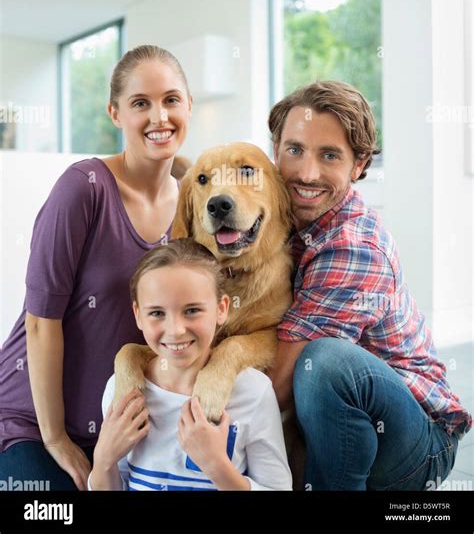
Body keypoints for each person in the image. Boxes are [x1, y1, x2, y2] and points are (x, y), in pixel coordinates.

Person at [0, 45, 192, 491]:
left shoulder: (190, 202)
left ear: (188, 105)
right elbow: (39, 323)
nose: (159, 117)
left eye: (170, 100)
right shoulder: (84, 188)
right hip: (31, 422)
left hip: (117, 429)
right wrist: (55, 438)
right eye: (140, 104)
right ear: (115, 113)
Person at [267, 80, 472, 490]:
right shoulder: (281, 217)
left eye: (329, 155)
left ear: (358, 165)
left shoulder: (353, 247)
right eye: (295, 150)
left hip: (417, 440)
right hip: (338, 420)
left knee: (322, 363)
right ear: (276, 151)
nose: (307, 173)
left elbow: (281, 385)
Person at [88, 238, 292, 491]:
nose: (175, 330)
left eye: (192, 310)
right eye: (157, 313)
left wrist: (217, 466)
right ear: (138, 315)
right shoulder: (119, 389)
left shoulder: (253, 391)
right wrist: (103, 460)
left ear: (222, 309)